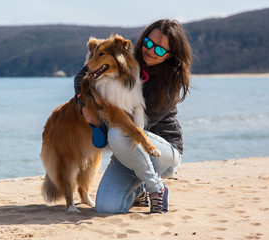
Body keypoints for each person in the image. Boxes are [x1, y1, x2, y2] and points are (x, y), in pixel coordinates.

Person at [74, 19, 192, 213]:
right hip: (128, 151)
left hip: (162, 151)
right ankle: (140, 189)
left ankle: (156, 188)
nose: (151, 51)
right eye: (148, 43)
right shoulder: (129, 56)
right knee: (107, 207)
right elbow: (82, 75)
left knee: (117, 134)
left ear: (171, 55)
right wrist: (83, 105)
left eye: (160, 50)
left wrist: (105, 103)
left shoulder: (172, 79)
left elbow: (140, 124)